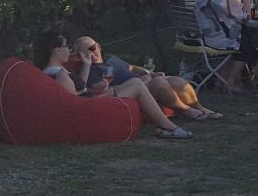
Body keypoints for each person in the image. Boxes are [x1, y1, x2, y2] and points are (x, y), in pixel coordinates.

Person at [33, 31, 190, 139]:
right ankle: (168, 126)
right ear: (57, 51)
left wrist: (87, 66)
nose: (70, 50)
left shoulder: (50, 71)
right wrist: (102, 95)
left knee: (135, 82)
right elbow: (74, 105)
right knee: (136, 85)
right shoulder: (59, 74)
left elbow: (78, 91)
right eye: (67, 47)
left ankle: (167, 125)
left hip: (91, 100)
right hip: (91, 108)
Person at [72, 35, 223, 120]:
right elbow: (100, 87)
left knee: (176, 81)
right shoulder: (90, 70)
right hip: (134, 89)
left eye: (93, 47)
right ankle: (186, 110)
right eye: (86, 51)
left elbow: (131, 67)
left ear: (98, 46)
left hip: (143, 80)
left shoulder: (111, 58)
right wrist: (87, 63)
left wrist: (148, 72)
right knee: (158, 83)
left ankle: (201, 108)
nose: (92, 52)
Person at [194, 0, 258, 90]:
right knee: (247, 47)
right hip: (222, 41)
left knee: (244, 39)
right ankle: (230, 81)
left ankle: (221, 80)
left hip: (205, 39)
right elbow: (246, 17)